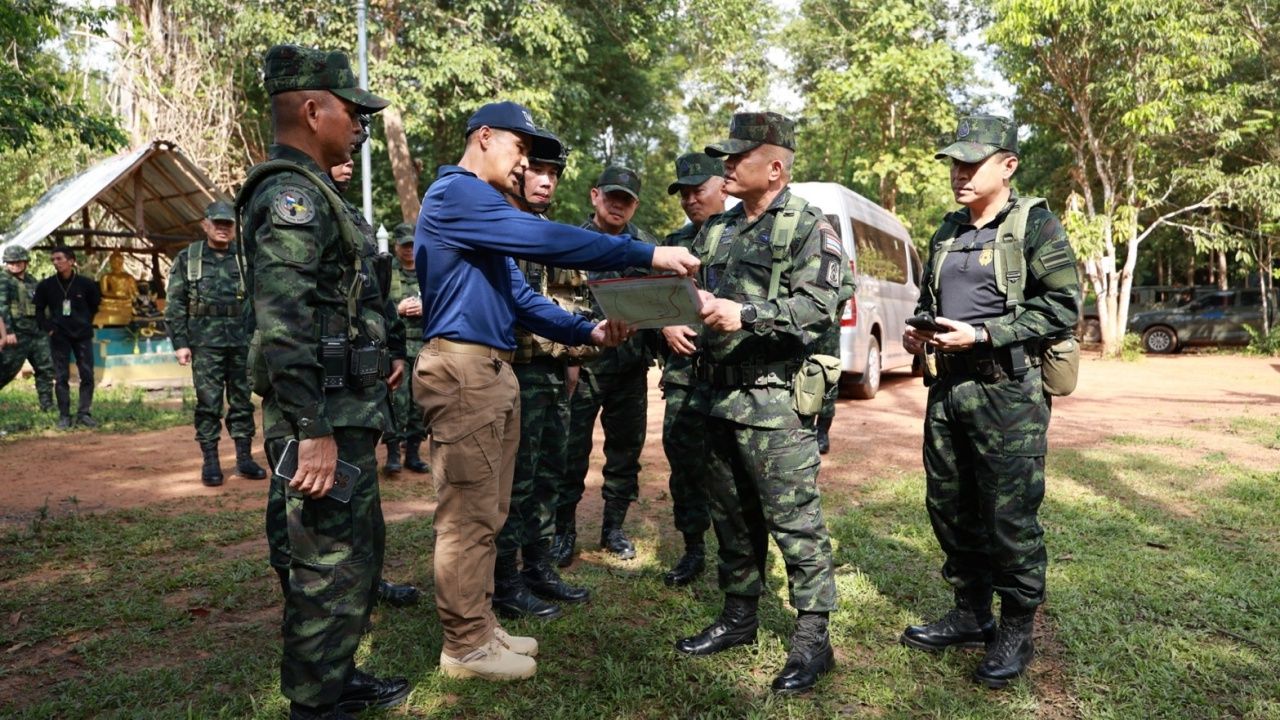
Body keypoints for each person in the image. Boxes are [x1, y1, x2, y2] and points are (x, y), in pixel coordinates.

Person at [412, 100, 699, 681]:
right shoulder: (457, 194)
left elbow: (520, 299)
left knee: (488, 511)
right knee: (467, 517)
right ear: (485, 137)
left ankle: (481, 627)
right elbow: (548, 245)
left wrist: (587, 329)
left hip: (489, 368)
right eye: (521, 149)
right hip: (464, 367)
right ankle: (465, 647)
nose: (525, 165)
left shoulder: (481, 205)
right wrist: (647, 253)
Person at [239, 44, 410, 720]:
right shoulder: (290, 196)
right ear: (313, 110)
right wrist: (312, 431)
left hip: (344, 410)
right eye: (351, 112)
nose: (360, 126)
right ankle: (315, 703)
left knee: (352, 553)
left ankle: (335, 676)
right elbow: (283, 326)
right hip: (321, 419)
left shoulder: (317, 192)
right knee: (325, 560)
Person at [899, 114, 1079, 689]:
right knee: (949, 507)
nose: (959, 173)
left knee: (1008, 514)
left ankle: (1016, 627)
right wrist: (919, 334)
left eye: (972, 163)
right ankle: (971, 613)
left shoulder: (1036, 225)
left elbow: (1063, 308)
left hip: (1007, 392)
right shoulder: (947, 231)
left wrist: (982, 334)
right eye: (955, 163)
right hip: (948, 390)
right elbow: (935, 299)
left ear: (1008, 165)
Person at [673, 112, 842, 694]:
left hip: (775, 401)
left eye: (737, 155)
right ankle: (739, 616)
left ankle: (813, 640)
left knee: (795, 521)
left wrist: (746, 314)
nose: (726, 163)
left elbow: (819, 308)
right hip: (716, 396)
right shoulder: (717, 230)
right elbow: (688, 289)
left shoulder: (808, 226)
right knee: (733, 517)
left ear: (773, 167)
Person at [492, 131, 593, 621]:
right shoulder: (500, 226)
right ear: (519, 171)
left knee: (550, 473)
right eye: (539, 171)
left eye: (554, 174)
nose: (547, 182)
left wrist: (573, 357)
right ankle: (506, 582)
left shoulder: (548, 231)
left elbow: (573, 298)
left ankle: (539, 566)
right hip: (516, 370)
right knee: (518, 481)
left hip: (554, 372)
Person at [328, 154, 420, 610]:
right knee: (323, 502)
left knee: (362, 497)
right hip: (321, 386)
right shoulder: (295, 209)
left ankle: (367, 583)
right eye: (340, 158)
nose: (349, 162)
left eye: (352, 160)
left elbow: (374, 297)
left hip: (360, 384)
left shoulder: (353, 219)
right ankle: (321, 598)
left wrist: (395, 350)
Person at [554, 166, 659, 565]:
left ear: (635, 205)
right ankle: (563, 531)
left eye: (627, 199)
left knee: (625, 452)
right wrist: (568, 357)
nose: (618, 204)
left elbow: (661, 301)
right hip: (583, 369)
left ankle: (613, 528)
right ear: (595, 195)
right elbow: (558, 302)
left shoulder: (647, 246)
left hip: (630, 369)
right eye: (612, 196)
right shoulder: (570, 242)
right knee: (570, 452)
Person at [657, 152, 727, 586]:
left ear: (723, 185)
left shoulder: (744, 234)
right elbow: (656, 298)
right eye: (683, 192)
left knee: (732, 468)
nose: (689, 199)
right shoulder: (674, 241)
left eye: (697, 190)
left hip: (730, 376)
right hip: (684, 374)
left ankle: (737, 554)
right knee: (683, 461)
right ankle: (693, 549)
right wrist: (665, 324)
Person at [164, 200, 267, 487]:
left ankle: (244, 458)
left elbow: (262, 299)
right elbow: (175, 303)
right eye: (217, 223)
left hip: (241, 341)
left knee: (242, 401)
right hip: (205, 343)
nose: (222, 229)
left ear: (235, 227)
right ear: (205, 224)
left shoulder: (246, 258)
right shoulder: (189, 258)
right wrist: (180, 343)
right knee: (208, 403)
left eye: (228, 224)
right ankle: (210, 461)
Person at [34, 246, 101, 430]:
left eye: (59, 258)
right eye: (53, 259)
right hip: (59, 336)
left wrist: (86, 322)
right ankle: (64, 416)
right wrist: (49, 329)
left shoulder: (86, 284)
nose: (56, 262)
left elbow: (95, 305)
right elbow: (38, 310)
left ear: (71, 261)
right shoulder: (46, 285)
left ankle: (84, 413)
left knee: (87, 374)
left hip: (82, 335)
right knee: (61, 376)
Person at [384, 223, 430, 475]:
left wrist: (426, 307)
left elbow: (446, 300)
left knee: (419, 404)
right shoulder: (387, 272)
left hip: (424, 346)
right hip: (397, 348)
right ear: (396, 246)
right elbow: (376, 304)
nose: (409, 250)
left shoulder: (429, 270)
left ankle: (413, 452)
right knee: (396, 402)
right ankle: (392, 452)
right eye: (405, 246)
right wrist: (397, 308)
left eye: (413, 245)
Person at [0, 244, 55, 410]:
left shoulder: (32, 281)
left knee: (45, 369)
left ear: (26, 262)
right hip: (16, 333)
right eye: (11, 262)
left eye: (19, 261)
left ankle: (47, 405)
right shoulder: (3, 280)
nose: (15, 265)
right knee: (5, 369)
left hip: (37, 333)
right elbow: (1, 307)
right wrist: (7, 332)